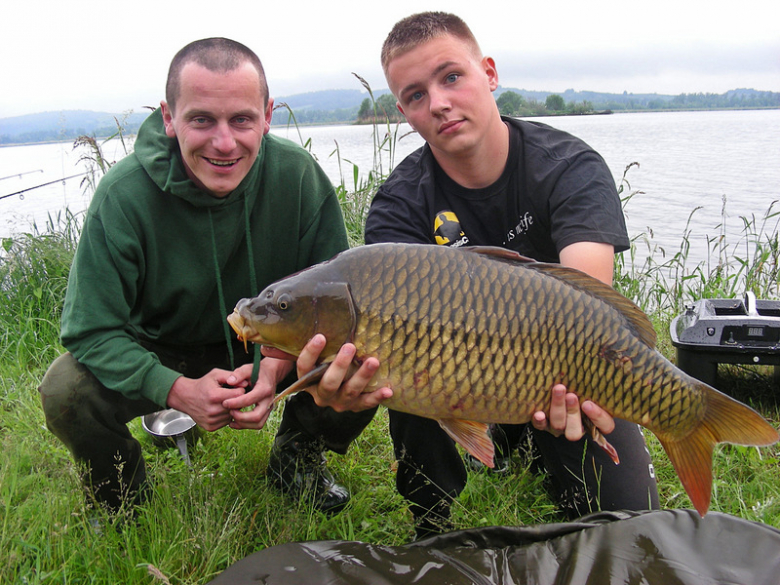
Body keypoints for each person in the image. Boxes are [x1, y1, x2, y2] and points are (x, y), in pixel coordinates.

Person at [38, 37, 388, 518]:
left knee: (369, 351)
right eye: (201, 119)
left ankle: (298, 455)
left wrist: (275, 373)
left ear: (267, 115)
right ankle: (120, 495)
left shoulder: (299, 177)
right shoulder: (123, 196)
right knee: (65, 390)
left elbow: (336, 307)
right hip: (162, 346)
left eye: (241, 120)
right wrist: (173, 388)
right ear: (169, 117)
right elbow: (89, 329)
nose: (224, 143)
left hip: (268, 339)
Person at [363, 12, 660, 538]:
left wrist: (574, 393)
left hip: (558, 371)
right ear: (403, 110)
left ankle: (536, 445)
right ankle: (431, 520)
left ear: (490, 73)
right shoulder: (398, 206)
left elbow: (593, 312)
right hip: (454, 370)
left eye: (451, 77)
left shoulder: (568, 166)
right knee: (400, 360)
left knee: (627, 520)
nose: (438, 103)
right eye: (414, 95)